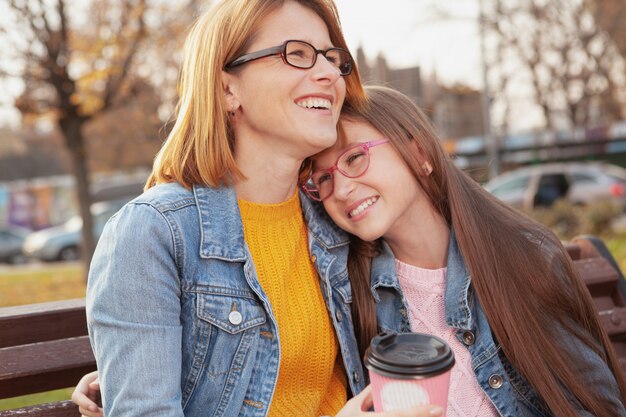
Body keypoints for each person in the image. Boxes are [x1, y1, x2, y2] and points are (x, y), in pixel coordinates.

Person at [74, 0, 442, 416]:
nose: (327, 74)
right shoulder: (153, 233)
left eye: (331, 58)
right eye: (296, 54)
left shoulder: (337, 217)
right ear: (228, 88)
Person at [301, 85, 626, 416]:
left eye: (355, 157)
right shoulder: (349, 297)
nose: (340, 189)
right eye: (323, 179)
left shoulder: (523, 260)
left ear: (420, 154)